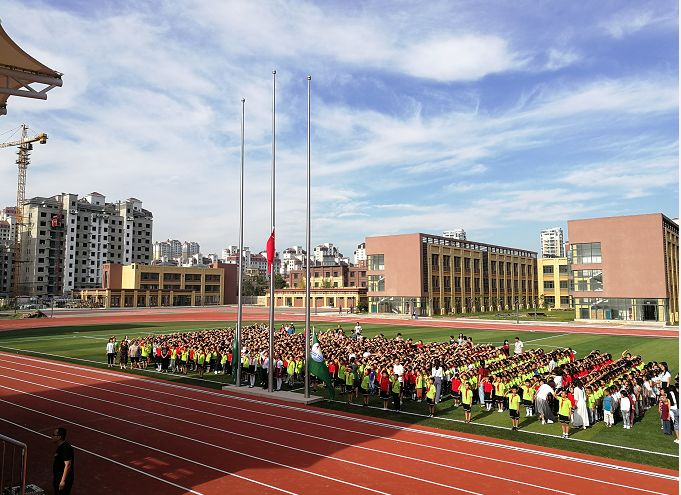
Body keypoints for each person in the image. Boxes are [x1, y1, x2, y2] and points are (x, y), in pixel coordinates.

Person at [52, 427, 74, 495]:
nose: (51, 436)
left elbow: (68, 465)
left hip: (63, 479)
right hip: (58, 477)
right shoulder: (60, 447)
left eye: (53, 435)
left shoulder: (65, 448)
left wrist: (62, 481)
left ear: (59, 437)